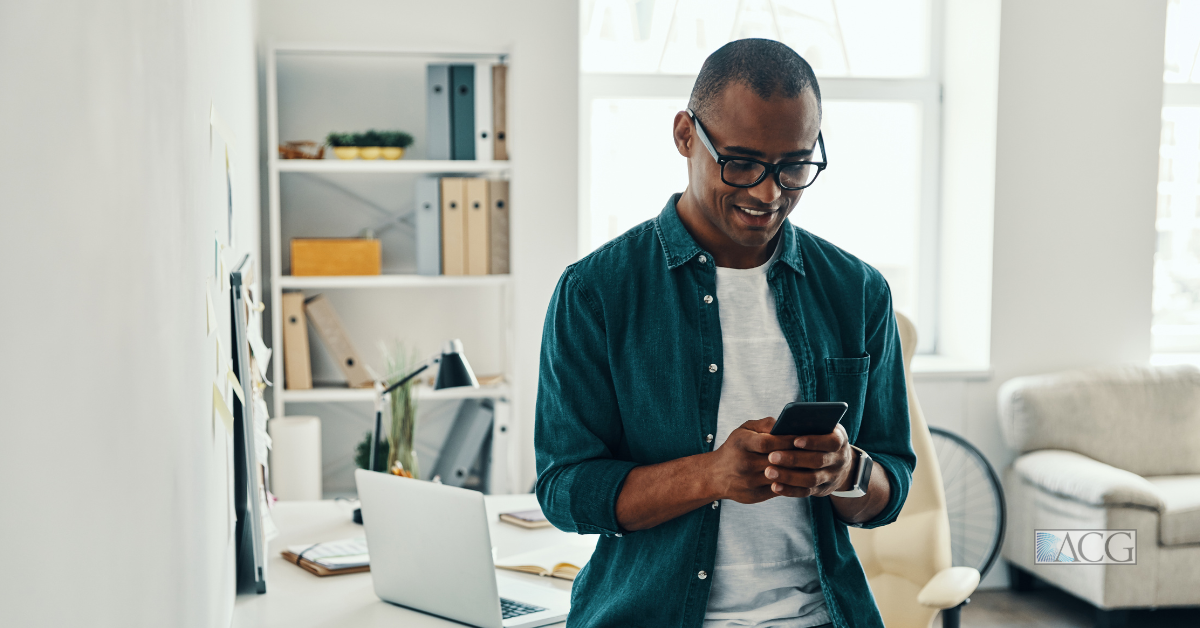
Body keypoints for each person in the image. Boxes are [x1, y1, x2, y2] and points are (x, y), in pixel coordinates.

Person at [535, 38, 916, 628]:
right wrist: (709, 475)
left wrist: (847, 473)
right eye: (740, 163)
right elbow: (564, 490)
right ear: (686, 135)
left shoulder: (858, 290)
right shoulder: (596, 291)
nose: (769, 194)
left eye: (794, 166)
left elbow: (892, 479)